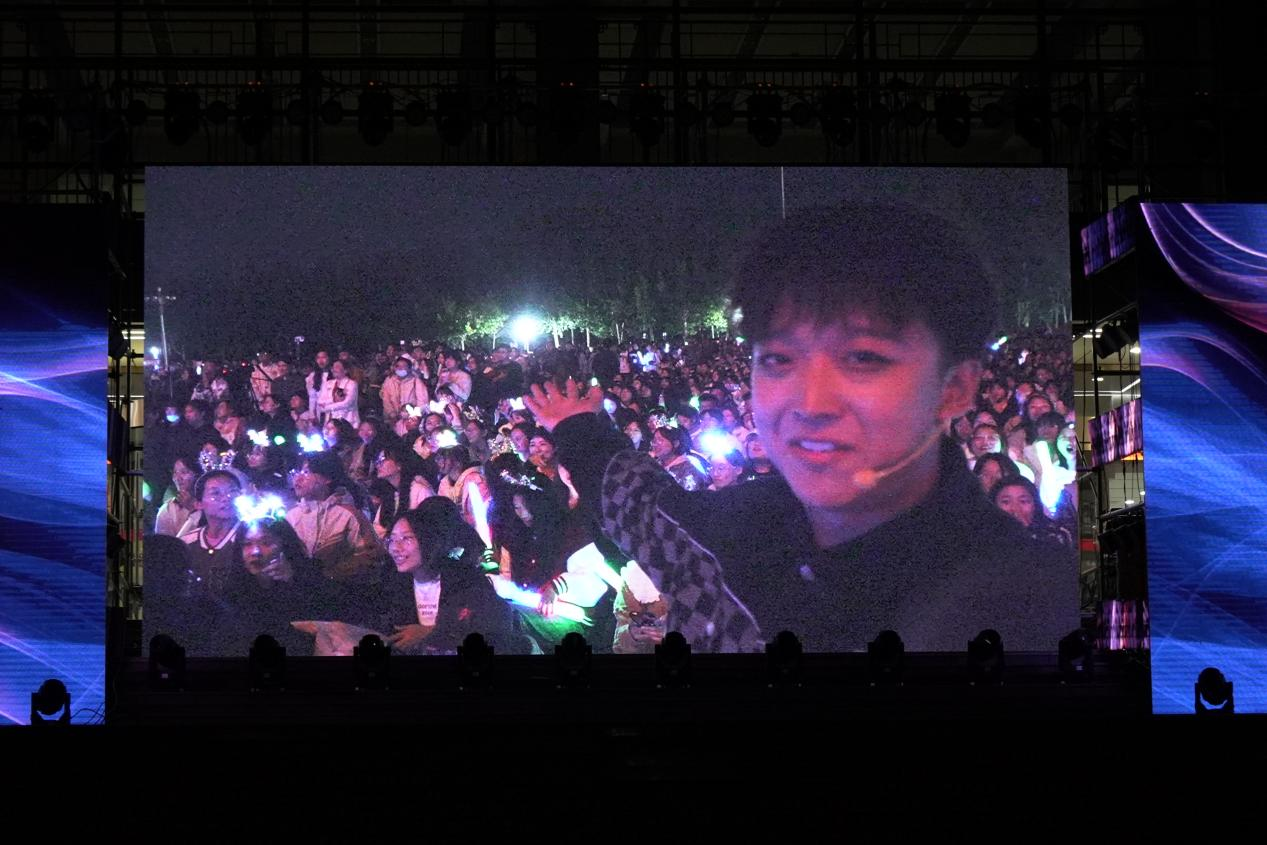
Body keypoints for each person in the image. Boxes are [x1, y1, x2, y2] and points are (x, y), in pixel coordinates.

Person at [527, 204, 1074, 652]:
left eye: (862, 357)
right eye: (778, 359)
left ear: (955, 387)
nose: (810, 403)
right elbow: (647, 511)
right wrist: (574, 426)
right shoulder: (741, 529)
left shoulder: (1035, 607)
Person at [370, 498, 520, 655]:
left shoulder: (466, 580)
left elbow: (495, 628)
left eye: (406, 538)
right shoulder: (395, 585)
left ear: (429, 540)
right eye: (392, 539)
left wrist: (432, 633)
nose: (395, 547)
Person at [990, 477, 1074, 549]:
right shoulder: (986, 538)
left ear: (1035, 505)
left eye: (1023, 501)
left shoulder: (1055, 535)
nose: (1015, 509)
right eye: (1006, 502)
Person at [648, 425, 709, 492]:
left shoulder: (689, 468)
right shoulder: (654, 465)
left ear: (676, 443)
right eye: (654, 440)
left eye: (660, 440)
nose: (655, 444)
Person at [381, 355, 428, 424]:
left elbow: (422, 401)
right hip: (392, 419)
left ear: (409, 368)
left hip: (411, 419)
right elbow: (386, 399)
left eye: (403, 366)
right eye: (398, 366)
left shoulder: (415, 381)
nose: (400, 368)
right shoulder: (389, 380)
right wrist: (391, 413)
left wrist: (415, 415)